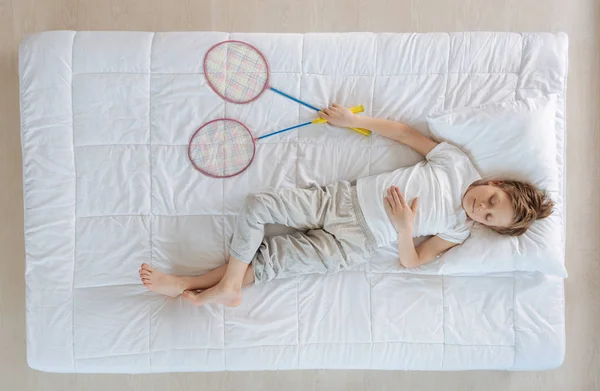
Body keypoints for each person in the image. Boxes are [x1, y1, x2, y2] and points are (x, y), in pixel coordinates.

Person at [138, 104, 554, 307]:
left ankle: (190, 283)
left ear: (486, 226)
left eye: (487, 216)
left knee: (271, 261)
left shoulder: (457, 229)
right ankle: (226, 285)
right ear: (495, 182)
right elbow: (406, 134)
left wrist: (405, 227)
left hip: (355, 245)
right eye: (491, 200)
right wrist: (351, 121)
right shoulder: (456, 162)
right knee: (258, 205)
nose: (479, 206)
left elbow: (412, 261)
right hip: (338, 200)